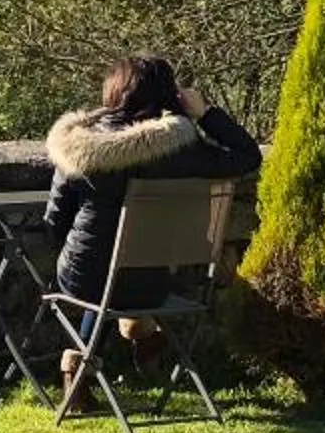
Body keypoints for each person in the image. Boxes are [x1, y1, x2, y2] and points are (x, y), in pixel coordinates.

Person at [43, 54, 263, 311]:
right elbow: (248, 156)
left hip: (85, 281)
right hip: (153, 287)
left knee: (100, 286)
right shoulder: (182, 150)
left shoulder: (79, 149)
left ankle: (85, 349)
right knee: (119, 290)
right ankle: (140, 336)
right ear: (170, 94)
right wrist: (205, 113)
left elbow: (56, 223)